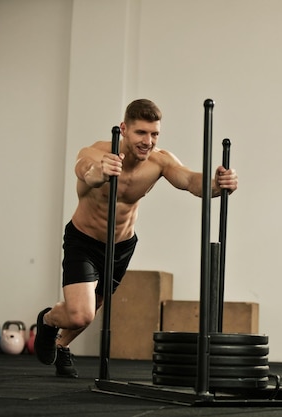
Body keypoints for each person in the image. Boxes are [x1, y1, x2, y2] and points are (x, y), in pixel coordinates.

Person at [34, 99, 238, 377]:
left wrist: (218, 184)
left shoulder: (160, 161)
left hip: (121, 245)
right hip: (84, 240)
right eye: (141, 133)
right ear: (124, 129)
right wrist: (99, 173)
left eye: (154, 134)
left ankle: (61, 345)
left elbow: (191, 181)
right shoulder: (97, 153)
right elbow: (86, 171)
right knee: (82, 314)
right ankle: (47, 321)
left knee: (94, 304)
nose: (148, 141)